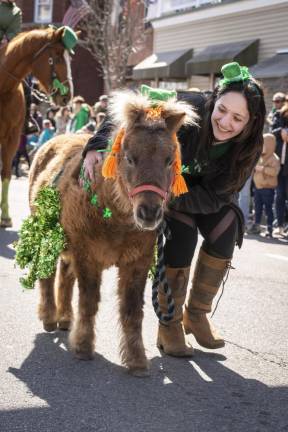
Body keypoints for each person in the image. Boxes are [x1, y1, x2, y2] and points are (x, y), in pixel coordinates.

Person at [81, 62, 266, 356]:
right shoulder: (188, 108)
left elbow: (216, 198)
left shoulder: (249, 149)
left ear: (251, 122)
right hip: (163, 189)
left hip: (198, 196)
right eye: (222, 110)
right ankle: (170, 323)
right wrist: (95, 143)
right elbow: (132, 107)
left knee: (226, 225)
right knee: (183, 231)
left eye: (237, 118)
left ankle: (198, 312)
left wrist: (169, 196)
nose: (225, 121)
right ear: (213, 100)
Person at [248, 134, 280, 237]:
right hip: (258, 187)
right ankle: (256, 225)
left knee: (268, 209)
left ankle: (269, 227)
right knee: (257, 208)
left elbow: (275, 172)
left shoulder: (274, 158)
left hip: (267, 188)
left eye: (264, 144)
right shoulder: (260, 157)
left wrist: (263, 169)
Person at [271, 99, 288, 236]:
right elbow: (272, 132)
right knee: (280, 195)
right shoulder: (279, 115)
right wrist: (282, 131)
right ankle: (280, 225)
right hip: (280, 164)